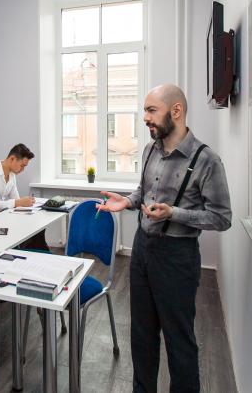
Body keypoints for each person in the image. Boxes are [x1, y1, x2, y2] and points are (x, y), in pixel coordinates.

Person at [97, 84, 232, 393]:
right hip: (142, 250)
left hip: (177, 257)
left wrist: (174, 214)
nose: (145, 117)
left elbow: (222, 217)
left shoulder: (207, 160)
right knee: (142, 334)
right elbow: (143, 193)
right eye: (144, 110)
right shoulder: (149, 150)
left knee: (178, 340)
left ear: (176, 111)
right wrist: (127, 201)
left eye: (151, 110)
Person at [0, 143, 47, 250]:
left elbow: (16, 200)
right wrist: (18, 202)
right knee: (21, 229)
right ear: (12, 159)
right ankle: (21, 251)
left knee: (34, 225)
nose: (23, 170)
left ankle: (34, 252)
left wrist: (24, 202)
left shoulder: (12, 175)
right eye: (22, 165)